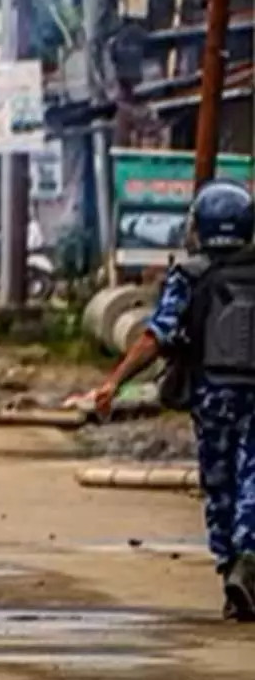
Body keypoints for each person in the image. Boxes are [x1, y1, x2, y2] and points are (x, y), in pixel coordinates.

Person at [93, 180, 255, 621]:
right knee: (253, 480)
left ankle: (232, 571)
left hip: (213, 396)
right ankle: (249, 558)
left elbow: (155, 338)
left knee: (220, 486)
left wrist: (115, 381)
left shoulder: (190, 275)